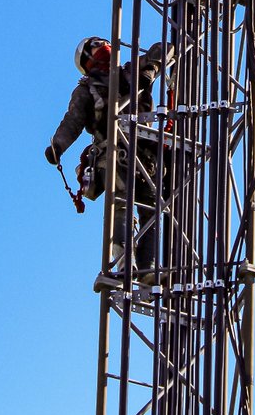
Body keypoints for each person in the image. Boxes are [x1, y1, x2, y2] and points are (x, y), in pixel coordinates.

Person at [45, 36, 174, 273]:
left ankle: (149, 267)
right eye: (95, 46)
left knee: (151, 209)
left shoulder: (132, 72)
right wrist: (58, 146)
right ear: (86, 60)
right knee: (122, 203)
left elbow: (164, 48)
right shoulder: (86, 90)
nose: (103, 47)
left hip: (146, 157)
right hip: (114, 155)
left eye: (104, 44)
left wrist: (152, 68)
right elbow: (72, 121)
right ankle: (126, 261)